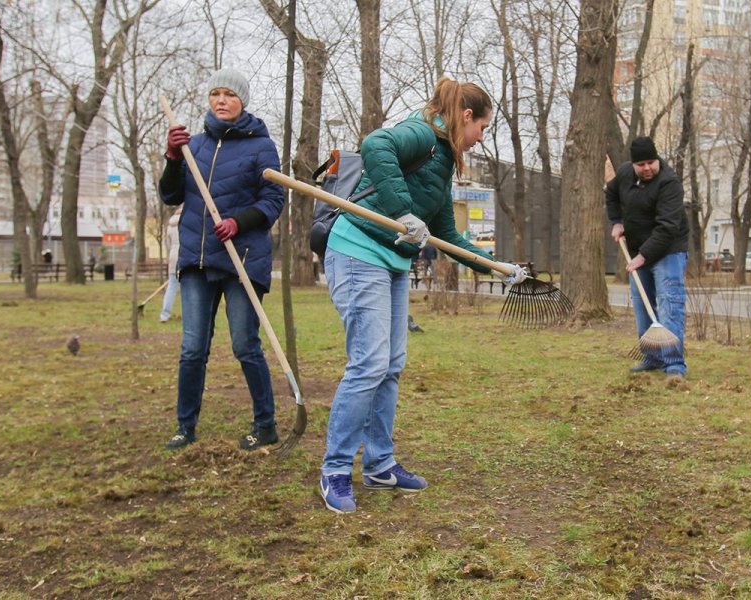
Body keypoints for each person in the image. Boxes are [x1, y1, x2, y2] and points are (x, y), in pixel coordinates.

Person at [319, 77, 527, 514]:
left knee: (390, 366)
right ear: (466, 117)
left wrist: (497, 267)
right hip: (358, 252)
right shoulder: (423, 134)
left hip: (391, 262)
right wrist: (402, 212)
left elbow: (447, 235)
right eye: (482, 128)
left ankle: (379, 465)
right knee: (369, 363)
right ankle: (335, 469)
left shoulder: (443, 159)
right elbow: (375, 145)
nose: (480, 138)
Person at [158, 68, 284, 452]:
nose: (221, 101)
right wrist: (172, 158)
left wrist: (237, 221)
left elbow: (273, 201)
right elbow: (169, 196)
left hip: (242, 258)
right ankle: (185, 427)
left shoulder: (262, 146)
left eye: (229, 94)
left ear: (242, 101)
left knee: (246, 344)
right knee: (193, 348)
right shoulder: (192, 145)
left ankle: (266, 425)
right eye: (216, 94)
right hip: (197, 259)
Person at [605, 136, 689, 382]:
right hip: (638, 250)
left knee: (669, 304)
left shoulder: (669, 183)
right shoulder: (624, 175)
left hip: (669, 251)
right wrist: (617, 221)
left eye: (651, 162)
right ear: (633, 164)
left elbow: (667, 228)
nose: (647, 168)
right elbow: (611, 195)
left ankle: (674, 365)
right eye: (641, 164)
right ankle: (652, 357)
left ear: (657, 159)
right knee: (643, 306)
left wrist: (642, 256)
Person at [159, 208, 182, 322]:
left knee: (172, 287)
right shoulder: (186, 222)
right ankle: (189, 314)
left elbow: (167, 244)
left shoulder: (170, 226)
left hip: (173, 256)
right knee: (188, 287)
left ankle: (164, 314)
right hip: (184, 255)